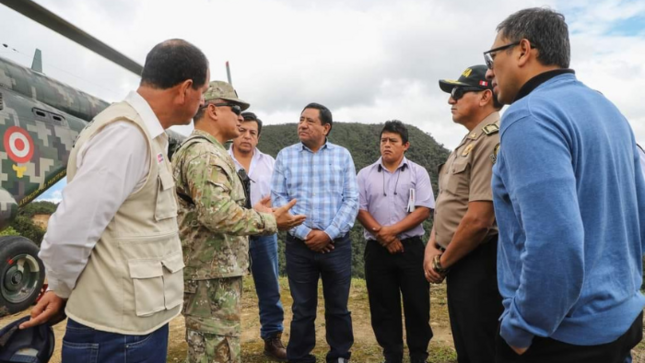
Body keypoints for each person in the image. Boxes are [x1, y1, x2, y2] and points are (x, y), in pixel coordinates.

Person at [21, 39, 210, 362]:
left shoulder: (144, 135)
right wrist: (60, 288)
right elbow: (71, 227)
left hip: (132, 321)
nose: (203, 101)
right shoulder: (127, 136)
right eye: (202, 92)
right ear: (185, 89)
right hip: (117, 332)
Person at [484, 8, 645, 363]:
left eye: (494, 56)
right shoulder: (608, 110)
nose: (490, 69)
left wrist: (521, 328)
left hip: (562, 335)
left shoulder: (529, 115)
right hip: (621, 316)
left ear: (523, 50)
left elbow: (555, 241)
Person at [172, 80, 305, 363]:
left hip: (213, 272)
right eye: (235, 109)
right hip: (210, 275)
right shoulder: (206, 154)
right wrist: (268, 221)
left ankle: (272, 337)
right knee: (215, 352)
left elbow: (212, 207)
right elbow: (216, 214)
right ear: (212, 111)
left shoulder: (207, 151)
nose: (241, 118)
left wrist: (251, 210)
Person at [423, 64, 504, 363]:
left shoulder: (492, 139)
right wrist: (433, 244)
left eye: (457, 92)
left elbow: (479, 219)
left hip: (479, 262)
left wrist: (442, 262)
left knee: (479, 346)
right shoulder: (470, 140)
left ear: (484, 96)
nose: (450, 100)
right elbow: (449, 201)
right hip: (459, 257)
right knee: (466, 344)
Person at [272, 103, 359, 363]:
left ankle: (340, 355)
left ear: (326, 127)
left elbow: (352, 200)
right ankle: (299, 357)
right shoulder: (285, 156)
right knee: (302, 309)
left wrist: (328, 234)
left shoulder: (342, 156)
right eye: (301, 119)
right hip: (299, 247)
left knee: (338, 308)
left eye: (310, 121)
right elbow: (279, 201)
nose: (302, 124)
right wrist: (307, 234)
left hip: (337, 245)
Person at [357, 120, 434, 363]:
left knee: (417, 303)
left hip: (410, 249)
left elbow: (423, 210)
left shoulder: (417, 172)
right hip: (377, 250)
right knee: (382, 306)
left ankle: (418, 355)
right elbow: (359, 209)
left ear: (405, 145)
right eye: (383, 140)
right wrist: (383, 235)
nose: (387, 145)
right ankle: (392, 354)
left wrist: (391, 232)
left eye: (393, 141)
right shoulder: (365, 174)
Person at [228, 111, 287, 360]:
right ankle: (226, 341)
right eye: (242, 131)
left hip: (263, 232)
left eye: (252, 132)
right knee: (228, 287)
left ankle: (272, 339)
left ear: (258, 137)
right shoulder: (221, 159)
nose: (247, 136)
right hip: (230, 233)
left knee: (269, 285)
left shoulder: (269, 163)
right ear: (234, 130)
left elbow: (280, 195)